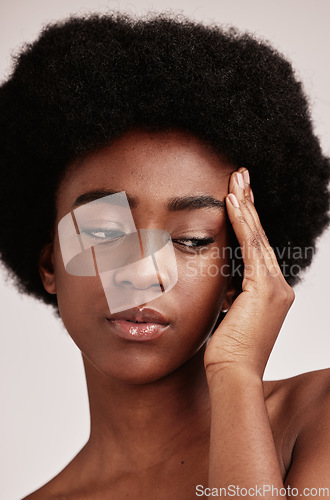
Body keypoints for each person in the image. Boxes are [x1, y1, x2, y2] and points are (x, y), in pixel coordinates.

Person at [0, 12, 329, 499]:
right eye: (106, 231)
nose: (141, 272)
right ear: (50, 263)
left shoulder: (317, 417)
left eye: (192, 240)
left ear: (236, 275)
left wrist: (236, 374)